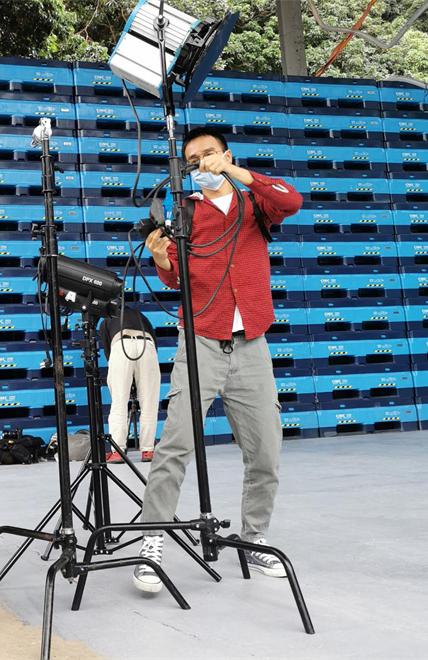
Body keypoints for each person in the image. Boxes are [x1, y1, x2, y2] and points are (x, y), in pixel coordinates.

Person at [132, 127, 303, 594]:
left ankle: (254, 537)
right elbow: (175, 281)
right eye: (193, 159)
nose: (202, 163)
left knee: (266, 449)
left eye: (209, 154)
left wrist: (236, 173)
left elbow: (291, 200)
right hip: (201, 340)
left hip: (251, 341)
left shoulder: (255, 203)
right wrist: (162, 259)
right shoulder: (184, 212)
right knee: (175, 446)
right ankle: (152, 541)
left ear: (227, 155)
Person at [98, 309, 160, 464]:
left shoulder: (106, 319)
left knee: (119, 404)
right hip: (147, 346)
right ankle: (148, 450)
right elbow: (154, 343)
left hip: (121, 345)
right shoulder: (141, 315)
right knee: (149, 404)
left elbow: (109, 353)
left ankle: (118, 451)